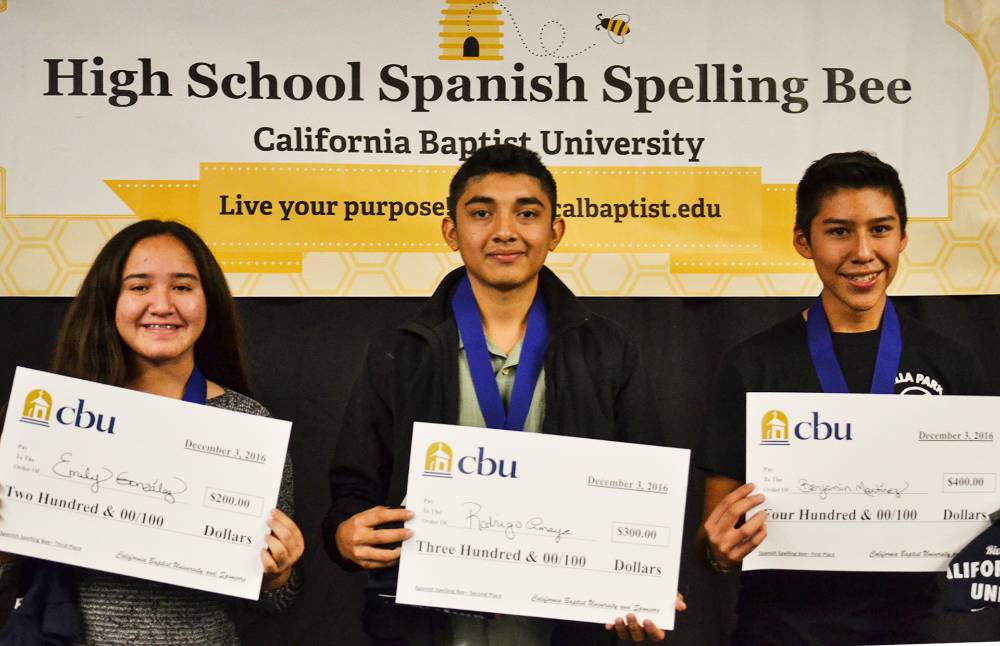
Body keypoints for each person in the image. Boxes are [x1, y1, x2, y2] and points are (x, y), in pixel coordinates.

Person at [323, 144, 679, 644]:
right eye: (481, 213)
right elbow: (353, 492)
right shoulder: (401, 350)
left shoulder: (607, 350)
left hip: (563, 630)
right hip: (430, 629)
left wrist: (645, 579)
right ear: (452, 231)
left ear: (555, 232)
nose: (505, 231)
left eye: (527, 213)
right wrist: (345, 534)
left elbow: (643, 496)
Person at [696, 151, 991, 645]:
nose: (862, 252)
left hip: (916, 628)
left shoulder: (951, 364)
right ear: (802, 241)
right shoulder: (754, 365)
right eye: (838, 231)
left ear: (902, 237)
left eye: (880, 229)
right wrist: (718, 552)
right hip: (781, 631)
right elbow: (715, 533)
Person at [0, 220, 304, 644]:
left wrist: (279, 572)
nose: (162, 305)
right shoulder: (52, 418)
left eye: (182, 287)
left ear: (208, 301)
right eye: (139, 287)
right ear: (109, 302)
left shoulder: (248, 423)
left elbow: (275, 601)